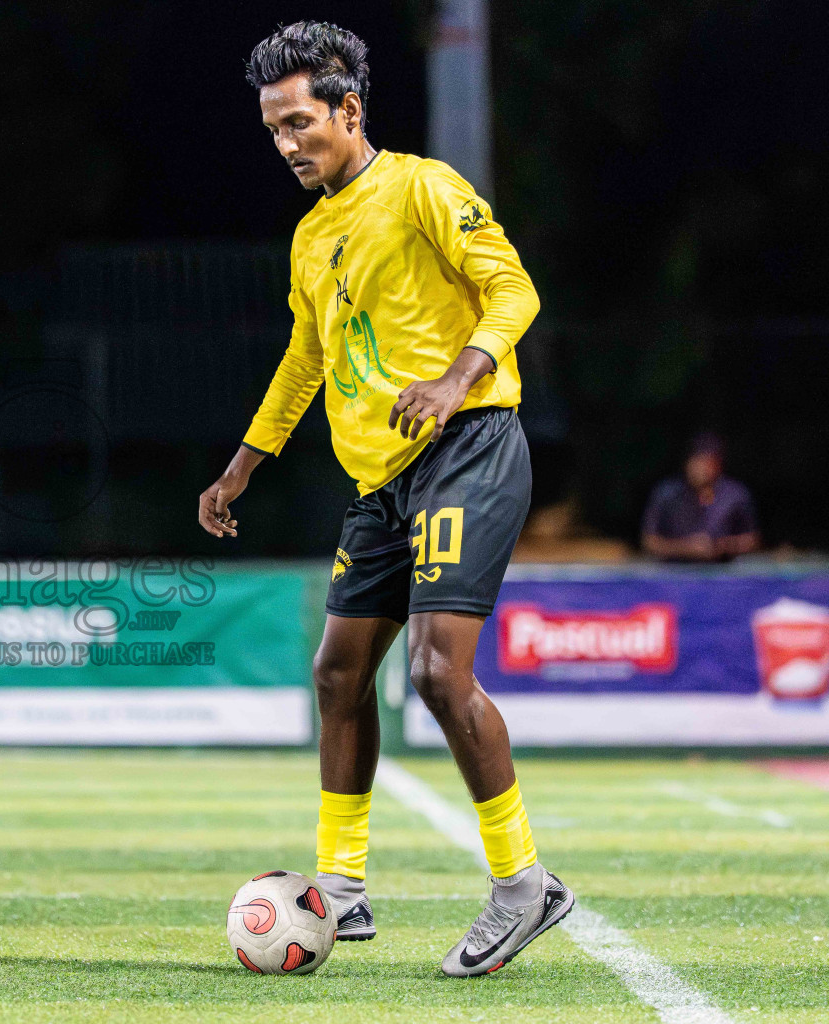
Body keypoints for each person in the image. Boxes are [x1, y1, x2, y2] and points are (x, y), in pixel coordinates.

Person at [197, 23, 572, 977]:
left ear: (349, 110)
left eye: (300, 123)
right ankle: (345, 888)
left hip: (468, 447)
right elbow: (306, 359)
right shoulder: (313, 231)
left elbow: (515, 291)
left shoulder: (424, 188)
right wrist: (244, 464)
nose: (286, 144)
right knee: (338, 672)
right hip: (381, 482)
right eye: (272, 128)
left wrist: (454, 382)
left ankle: (524, 884)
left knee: (442, 675)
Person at [642, 433, 760, 562]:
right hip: (674, 572)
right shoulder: (665, 493)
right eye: (700, 461)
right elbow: (649, 542)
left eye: (710, 462)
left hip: (723, 572)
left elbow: (753, 539)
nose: (705, 469)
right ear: (688, 462)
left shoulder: (735, 494)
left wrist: (722, 546)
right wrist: (687, 548)